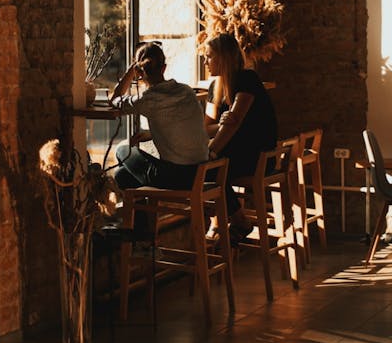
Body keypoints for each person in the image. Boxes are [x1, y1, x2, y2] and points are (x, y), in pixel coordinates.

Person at [204, 33, 278, 241]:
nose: (205, 61)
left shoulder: (247, 79)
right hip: (234, 151)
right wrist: (221, 124)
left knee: (210, 170)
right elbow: (208, 127)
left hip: (258, 155)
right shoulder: (214, 87)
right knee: (208, 170)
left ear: (224, 58)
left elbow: (234, 122)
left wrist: (211, 152)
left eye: (209, 56)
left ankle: (235, 223)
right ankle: (228, 224)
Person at [110, 42, 209, 191]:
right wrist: (151, 134)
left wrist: (130, 73)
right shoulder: (187, 91)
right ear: (164, 68)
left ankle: (142, 213)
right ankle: (142, 215)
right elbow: (180, 126)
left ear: (139, 72)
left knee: (122, 148)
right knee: (122, 175)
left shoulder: (148, 100)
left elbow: (114, 99)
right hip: (201, 172)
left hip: (175, 177)